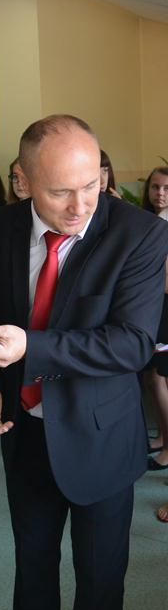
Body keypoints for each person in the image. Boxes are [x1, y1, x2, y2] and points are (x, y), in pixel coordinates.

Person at [0, 114, 168, 610]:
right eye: (60, 192)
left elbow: (132, 344)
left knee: (101, 572)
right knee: (32, 558)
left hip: (101, 435)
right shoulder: (0, 228)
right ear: (24, 181)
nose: (81, 205)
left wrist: (31, 348)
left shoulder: (138, 234)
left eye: (92, 184)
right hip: (25, 431)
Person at [140, 167, 168, 470]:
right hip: (154, 308)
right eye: (155, 187)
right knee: (152, 378)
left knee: (160, 379)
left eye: (167, 188)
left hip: (164, 309)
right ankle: (162, 436)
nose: (160, 193)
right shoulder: (151, 220)